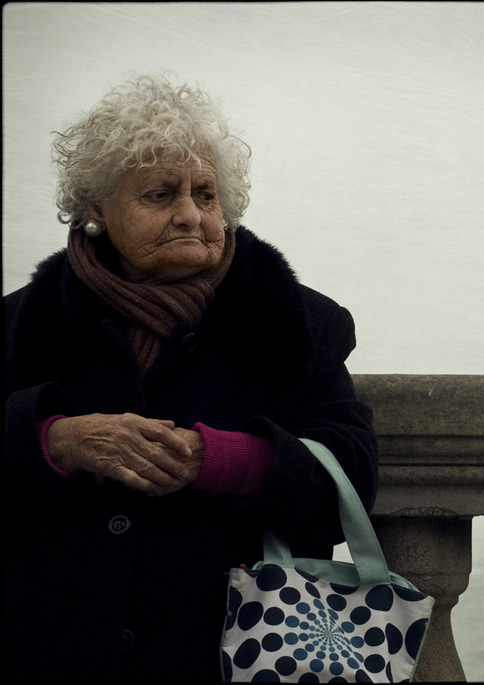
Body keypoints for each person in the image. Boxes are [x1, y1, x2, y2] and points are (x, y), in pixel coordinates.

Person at [4, 73, 378, 680]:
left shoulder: (299, 322)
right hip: (48, 650)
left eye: (206, 195)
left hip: (228, 656)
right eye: (159, 194)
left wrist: (222, 460)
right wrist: (56, 443)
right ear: (96, 208)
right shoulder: (21, 321)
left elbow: (352, 475)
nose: (190, 215)